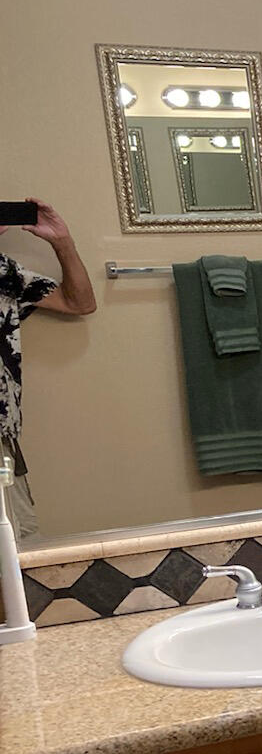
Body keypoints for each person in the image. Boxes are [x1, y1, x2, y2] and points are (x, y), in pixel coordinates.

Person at [0, 198, 97, 539]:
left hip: (3, 437)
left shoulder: (3, 272)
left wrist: (62, 242)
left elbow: (80, 302)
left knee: (19, 548)